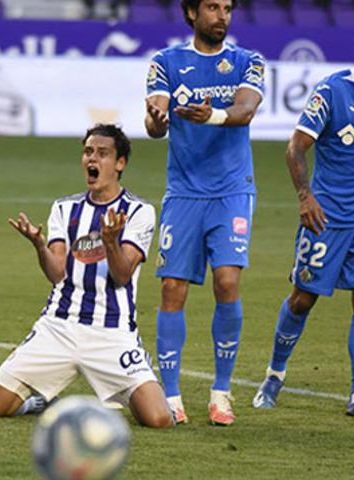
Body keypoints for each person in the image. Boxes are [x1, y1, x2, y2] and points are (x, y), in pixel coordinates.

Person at [251, 21, 354, 421]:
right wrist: (306, 197)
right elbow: (295, 149)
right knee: (304, 298)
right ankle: (273, 376)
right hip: (328, 217)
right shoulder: (331, 91)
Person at [0, 124, 174, 429]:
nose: (91, 159)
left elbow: (121, 276)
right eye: (88, 152)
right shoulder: (64, 209)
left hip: (112, 332)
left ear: (120, 164)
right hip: (59, 326)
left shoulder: (138, 212)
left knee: (159, 419)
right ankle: (38, 401)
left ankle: (133, 387)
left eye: (102, 154)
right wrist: (40, 246)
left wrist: (110, 241)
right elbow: (57, 274)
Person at [144, 0, 264, 426]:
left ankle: (220, 393)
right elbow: (155, 121)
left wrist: (211, 114)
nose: (222, 16)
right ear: (191, 12)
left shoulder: (249, 62)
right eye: (212, 7)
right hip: (184, 193)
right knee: (173, 288)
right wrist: (158, 120)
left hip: (232, 191)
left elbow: (245, 112)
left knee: (227, 280)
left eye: (228, 8)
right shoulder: (166, 61)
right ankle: (172, 395)